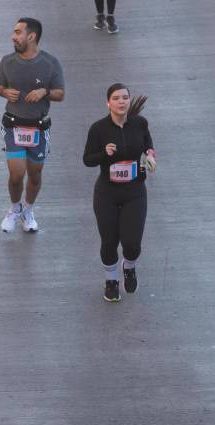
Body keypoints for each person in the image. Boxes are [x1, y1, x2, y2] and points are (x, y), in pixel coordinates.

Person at [83, 84, 156, 302]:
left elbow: (148, 145)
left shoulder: (140, 124)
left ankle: (129, 267)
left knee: (132, 244)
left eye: (125, 97)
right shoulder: (99, 129)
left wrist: (150, 156)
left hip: (134, 192)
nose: (122, 101)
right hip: (107, 193)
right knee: (109, 241)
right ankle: (111, 281)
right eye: (116, 98)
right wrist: (104, 154)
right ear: (108, 103)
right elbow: (87, 160)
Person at [0, 17, 64, 233]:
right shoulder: (7, 61)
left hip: (39, 128)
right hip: (13, 126)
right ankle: (14, 209)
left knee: (34, 174)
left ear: (31, 36)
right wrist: (5, 92)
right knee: (16, 174)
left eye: (17, 32)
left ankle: (28, 210)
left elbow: (60, 93)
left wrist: (45, 92)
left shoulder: (50, 63)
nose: (13, 37)